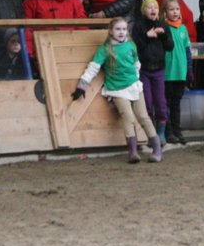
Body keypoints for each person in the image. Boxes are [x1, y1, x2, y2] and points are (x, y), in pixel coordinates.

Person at [70, 17, 163, 163]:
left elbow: (136, 64)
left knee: (143, 116)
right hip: (117, 89)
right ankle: (133, 152)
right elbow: (93, 68)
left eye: (124, 29)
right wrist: (82, 86)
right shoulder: (105, 49)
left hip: (134, 86)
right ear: (110, 31)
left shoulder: (131, 45)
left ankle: (157, 149)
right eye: (118, 29)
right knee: (128, 117)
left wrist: (135, 79)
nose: (121, 32)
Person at [23, 0, 85, 67]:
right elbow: (27, 28)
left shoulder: (75, 1)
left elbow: (82, 26)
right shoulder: (32, 1)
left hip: (69, 48)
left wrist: (81, 48)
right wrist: (31, 52)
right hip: (42, 48)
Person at [131, 0, 170, 144]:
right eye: (149, 7)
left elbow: (170, 47)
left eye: (155, 7)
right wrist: (147, 36)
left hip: (159, 69)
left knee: (160, 102)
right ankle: (149, 133)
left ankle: (161, 133)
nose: (153, 9)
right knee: (146, 102)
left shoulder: (163, 25)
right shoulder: (138, 26)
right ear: (143, 11)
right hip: (143, 70)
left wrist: (164, 35)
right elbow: (135, 47)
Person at [161, 0, 193, 144]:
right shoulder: (163, 28)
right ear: (165, 12)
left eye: (177, 9)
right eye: (171, 9)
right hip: (167, 73)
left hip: (181, 72)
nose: (175, 12)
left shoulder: (183, 29)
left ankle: (177, 130)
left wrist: (189, 69)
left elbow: (187, 50)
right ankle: (168, 132)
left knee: (176, 103)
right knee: (166, 103)